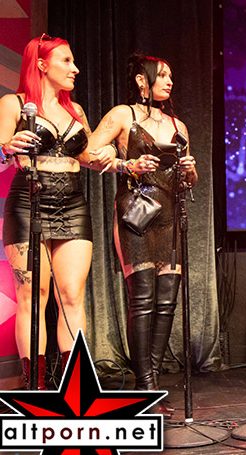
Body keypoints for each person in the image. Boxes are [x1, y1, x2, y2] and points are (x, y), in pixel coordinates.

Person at [0, 34, 115, 389]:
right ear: (41, 64)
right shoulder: (14, 104)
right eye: (66, 61)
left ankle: (75, 385)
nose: (75, 68)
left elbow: (88, 157)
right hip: (28, 202)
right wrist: (7, 147)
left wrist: (114, 157)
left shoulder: (75, 110)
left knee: (72, 296)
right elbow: (1, 153)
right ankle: (34, 386)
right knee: (33, 295)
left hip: (73, 205)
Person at [86, 53, 197, 415]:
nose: (169, 81)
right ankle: (144, 386)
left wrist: (190, 170)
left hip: (169, 216)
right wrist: (126, 164)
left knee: (167, 302)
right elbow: (87, 153)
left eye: (171, 76)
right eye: (161, 75)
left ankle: (152, 383)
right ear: (141, 80)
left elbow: (190, 179)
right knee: (143, 299)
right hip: (136, 214)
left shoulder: (178, 125)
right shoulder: (124, 115)